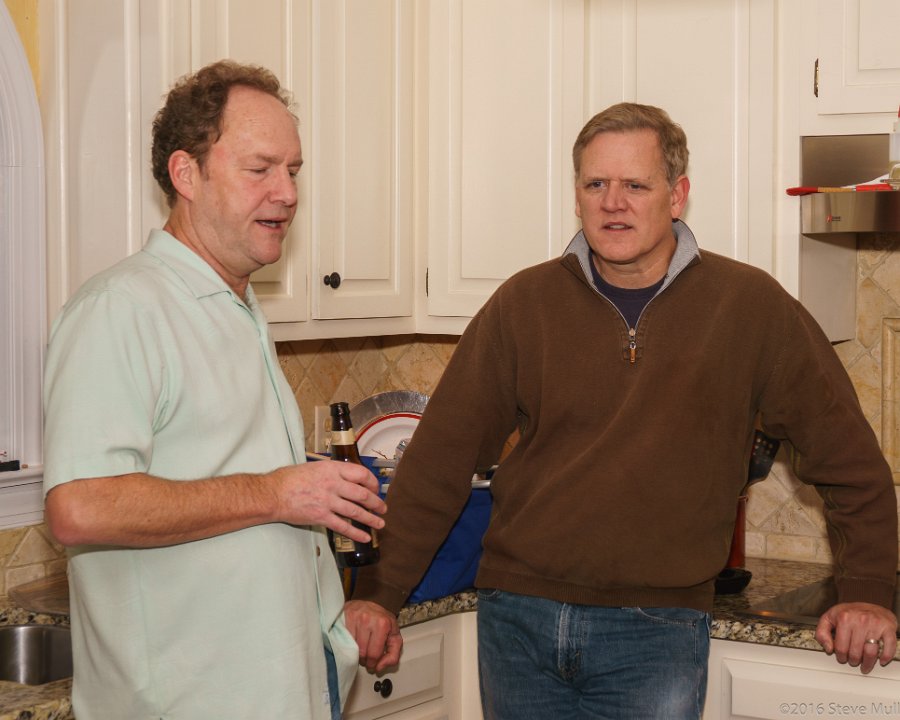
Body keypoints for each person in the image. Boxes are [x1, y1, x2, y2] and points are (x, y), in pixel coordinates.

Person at [343, 103, 899, 719]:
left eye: (635, 185)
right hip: (517, 618)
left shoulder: (750, 307)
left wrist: (868, 590)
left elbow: (850, 462)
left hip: (655, 630)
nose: (613, 203)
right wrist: (380, 591)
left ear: (677, 195)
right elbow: (439, 460)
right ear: (577, 196)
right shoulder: (523, 304)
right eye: (595, 184)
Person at [42, 60, 386, 720]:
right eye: (260, 169)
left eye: (294, 171)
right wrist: (277, 492)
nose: (287, 193)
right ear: (186, 174)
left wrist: (328, 620)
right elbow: (79, 506)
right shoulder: (119, 309)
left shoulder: (237, 306)